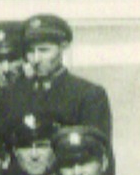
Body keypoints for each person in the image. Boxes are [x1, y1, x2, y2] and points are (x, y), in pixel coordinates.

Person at [19, 14, 113, 142]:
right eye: (30, 51)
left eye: (44, 50)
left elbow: (98, 151)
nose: (36, 59)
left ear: (63, 47)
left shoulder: (88, 95)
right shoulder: (17, 92)